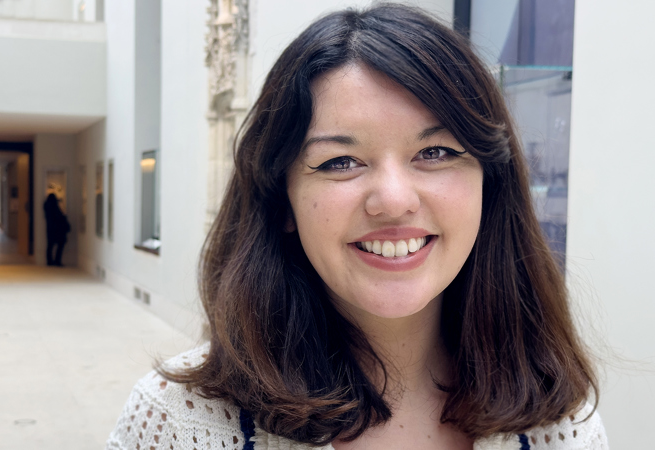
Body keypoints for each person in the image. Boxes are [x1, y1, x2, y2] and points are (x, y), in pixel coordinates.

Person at [107, 4, 606, 449]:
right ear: (282, 201)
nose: (392, 200)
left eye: (435, 152)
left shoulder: (562, 427)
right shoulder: (175, 423)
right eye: (340, 161)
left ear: (488, 187)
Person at [44, 193, 70, 266]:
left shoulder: (46, 205)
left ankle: (50, 261)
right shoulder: (54, 206)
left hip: (50, 228)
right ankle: (57, 261)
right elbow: (59, 216)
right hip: (58, 229)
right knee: (59, 245)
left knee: (50, 245)